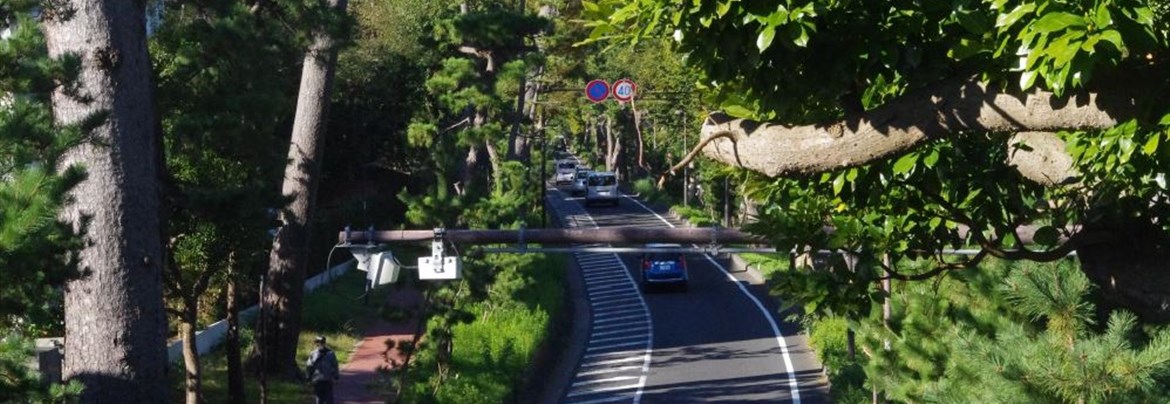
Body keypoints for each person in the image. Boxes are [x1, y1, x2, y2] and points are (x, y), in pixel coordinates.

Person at [305, 335, 340, 404]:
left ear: (324, 343)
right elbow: (309, 366)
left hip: (327, 379)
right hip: (318, 380)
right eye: (317, 342)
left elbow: (335, 365)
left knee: (329, 399)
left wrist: (336, 377)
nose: (319, 344)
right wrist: (308, 378)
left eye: (320, 342)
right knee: (319, 399)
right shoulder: (313, 353)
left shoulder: (330, 353)